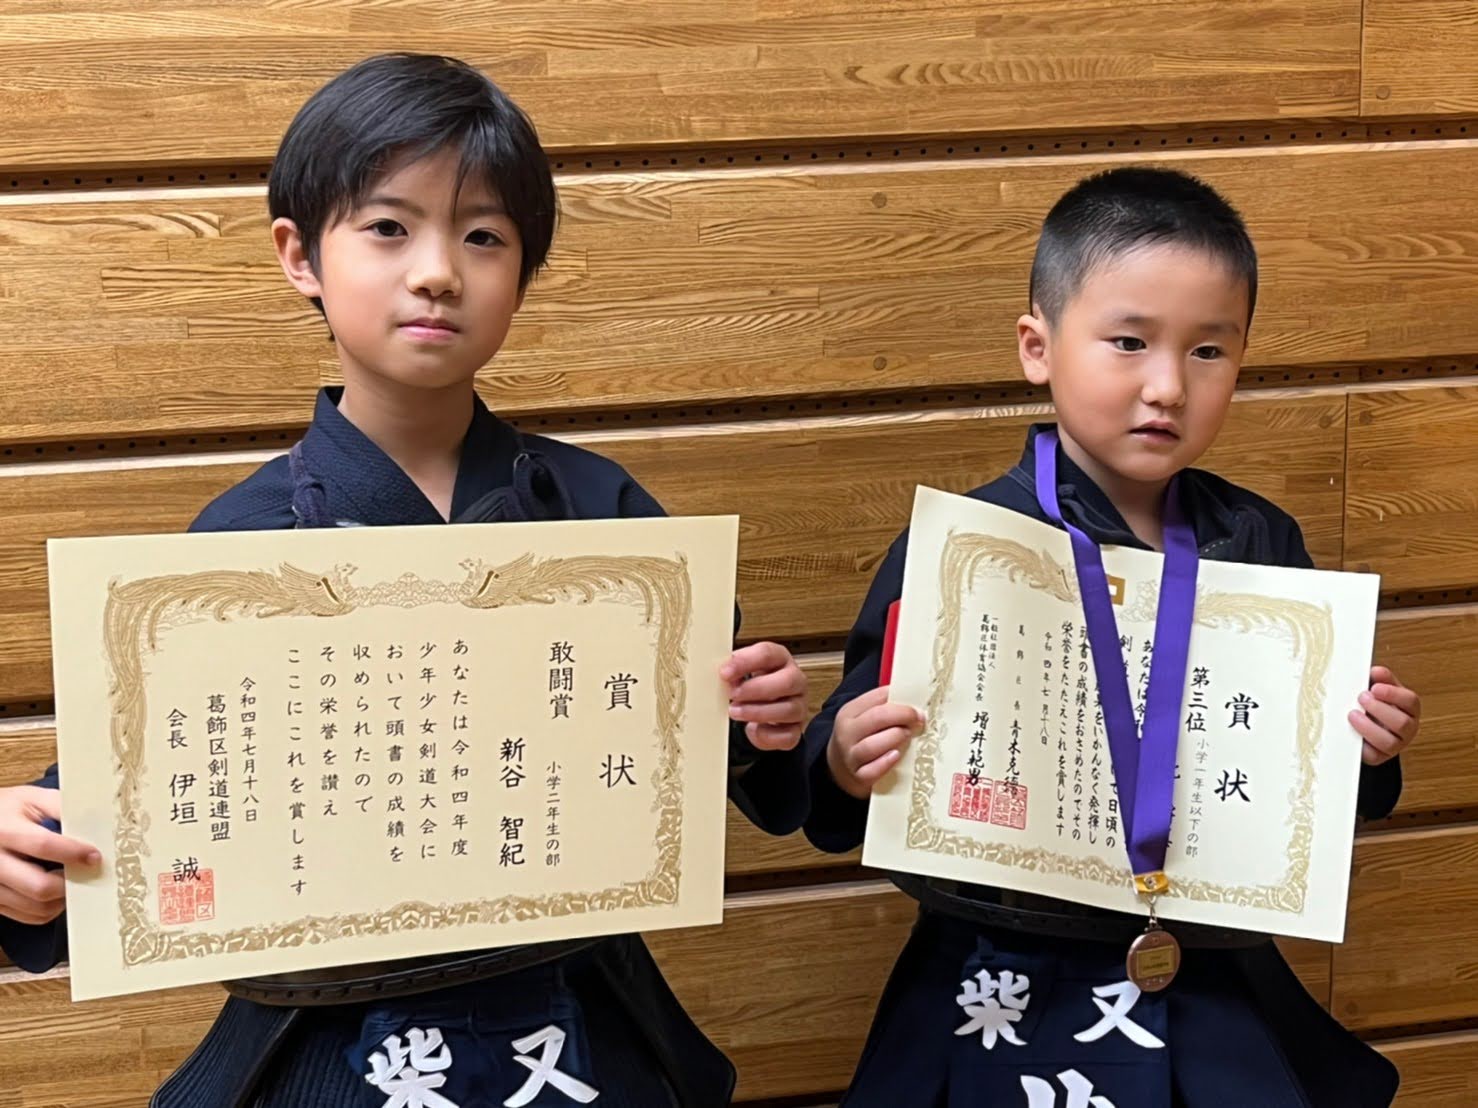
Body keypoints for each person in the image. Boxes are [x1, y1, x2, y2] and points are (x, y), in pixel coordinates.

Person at [0, 53, 810, 1107]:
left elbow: (733, 767)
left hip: (574, 1026)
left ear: (524, 270)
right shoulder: (237, 542)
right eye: (388, 227)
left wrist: (759, 716)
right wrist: (26, 852)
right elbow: (134, 802)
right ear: (300, 255)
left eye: (483, 236)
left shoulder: (601, 510)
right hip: (332, 1046)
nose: (437, 272)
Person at [801, 166, 1422, 1107]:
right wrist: (846, 759)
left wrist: (1367, 749)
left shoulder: (1261, 543)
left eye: (1209, 351)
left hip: (1209, 968)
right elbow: (835, 793)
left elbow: (1323, 803)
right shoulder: (969, 548)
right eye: (1129, 342)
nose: (1167, 386)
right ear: (1038, 347)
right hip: (1001, 966)